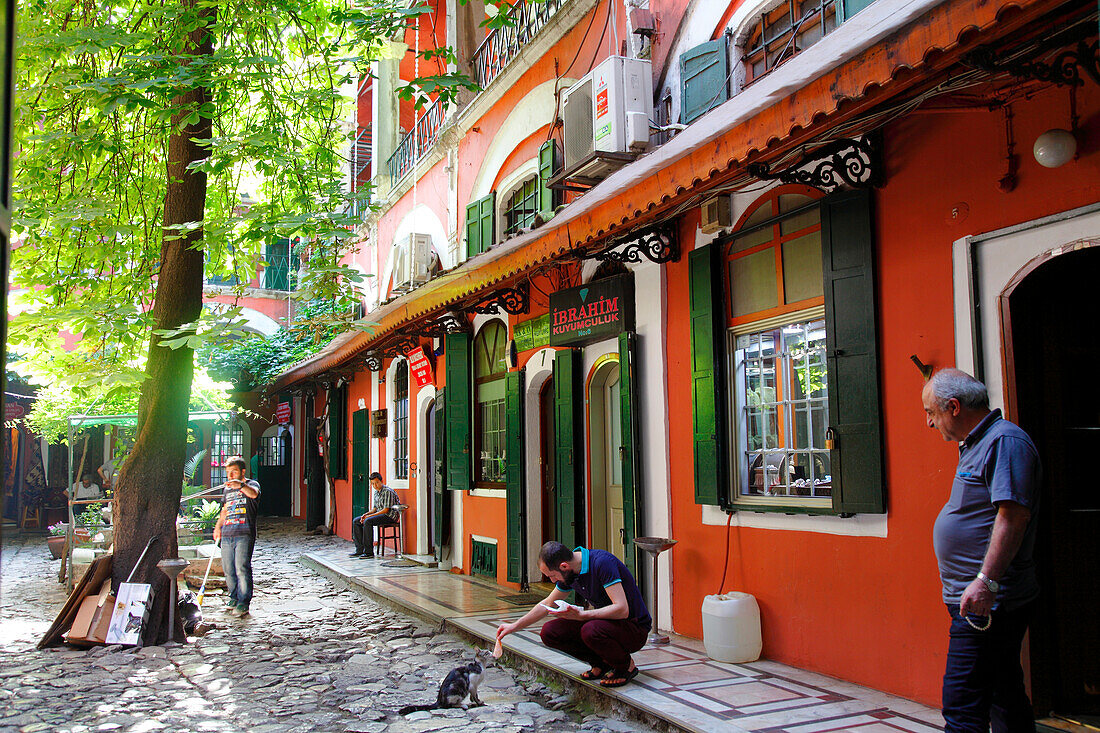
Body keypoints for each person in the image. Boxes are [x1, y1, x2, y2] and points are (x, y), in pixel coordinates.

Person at [921, 368, 1041, 733]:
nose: (929, 423)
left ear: (954, 407)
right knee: (1003, 693)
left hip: (988, 602)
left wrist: (986, 582)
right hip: (977, 598)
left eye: (931, 412)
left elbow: (1013, 516)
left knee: (962, 703)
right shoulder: (980, 443)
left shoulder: (1005, 443)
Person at [495, 541, 651, 688]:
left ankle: (625, 666)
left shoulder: (602, 563)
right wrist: (514, 626)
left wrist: (582, 616)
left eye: (552, 576)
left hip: (634, 628)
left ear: (564, 566)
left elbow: (622, 609)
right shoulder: (570, 572)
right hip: (607, 624)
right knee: (550, 632)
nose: (552, 580)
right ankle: (601, 664)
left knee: (590, 630)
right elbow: (547, 603)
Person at [213, 456, 261, 618]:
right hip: (227, 533)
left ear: (242, 472)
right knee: (228, 568)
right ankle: (233, 597)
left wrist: (240, 485)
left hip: (244, 533)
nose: (230, 476)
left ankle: (244, 602)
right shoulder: (227, 489)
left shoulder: (252, 484)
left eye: (234, 472)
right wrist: (218, 527)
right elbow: (224, 510)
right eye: (228, 473)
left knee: (242, 567)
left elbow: (253, 495)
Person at [349, 472, 399, 559]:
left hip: (389, 516)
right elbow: (375, 508)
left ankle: (369, 552)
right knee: (356, 521)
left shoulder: (387, 491)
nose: (375, 485)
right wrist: (366, 514)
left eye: (376, 483)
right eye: (373, 484)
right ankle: (359, 549)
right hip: (381, 514)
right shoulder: (376, 492)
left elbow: (386, 510)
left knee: (368, 521)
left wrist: (369, 517)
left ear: (381, 481)